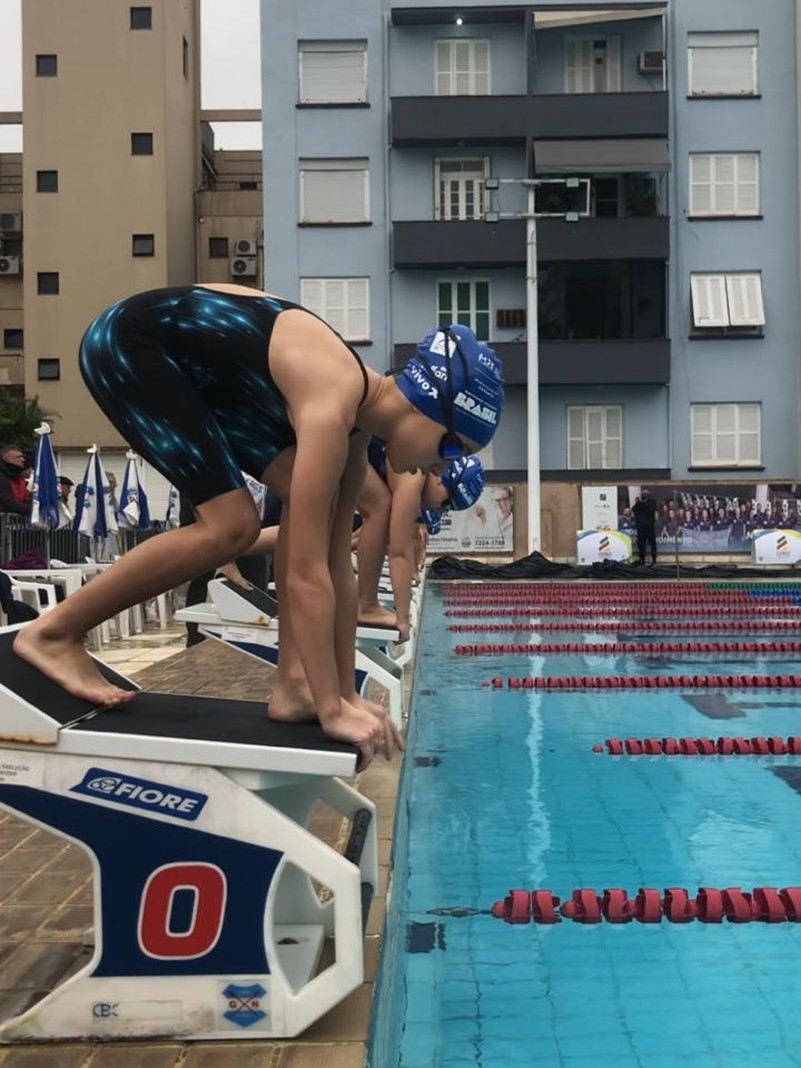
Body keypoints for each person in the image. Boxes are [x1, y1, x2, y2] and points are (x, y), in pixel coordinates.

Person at [13, 285, 505, 768]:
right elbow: (304, 573)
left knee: (297, 507)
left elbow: (336, 563)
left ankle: (294, 686)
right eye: (452, 447)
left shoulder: (355, 428)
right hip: (132, 344)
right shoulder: (333, 400)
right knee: (231, 526)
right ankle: (53, 633)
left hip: (201, 372)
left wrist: (339, 692)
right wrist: (333, 711)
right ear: (427, 407)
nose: (442, 469)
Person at [356, 439, 485, 640]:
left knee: (379, 507)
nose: (439, 510)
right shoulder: (414, 475)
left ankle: (365, 602)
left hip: (346, 440)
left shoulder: (417, 463)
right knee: (379, 508)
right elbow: (400, 552)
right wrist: (403, 619)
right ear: (442, 479)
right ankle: (366, 605)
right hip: (339, 439)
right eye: (445, 505)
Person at [0, 443, 32, 517]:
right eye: (18, 457)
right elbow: (8, 503)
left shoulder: (19, 479)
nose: (23, 460)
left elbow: (28, 498)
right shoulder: (2, 478)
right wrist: (33, 510)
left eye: (22, 457)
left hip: (12, 525)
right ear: (6, 459)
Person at [632, 488, 657, 566]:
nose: (644, 496)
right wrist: (640, 502)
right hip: (641, 527)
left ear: (648, 496)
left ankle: (654, 560)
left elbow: (652, 509)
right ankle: (642, 559)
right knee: (641, 544)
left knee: (652, 543)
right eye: (643, 495)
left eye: (645, 495)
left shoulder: (652, 502)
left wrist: (644, 503)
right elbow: (634, 509)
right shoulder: (639, 503)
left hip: (650, 527)